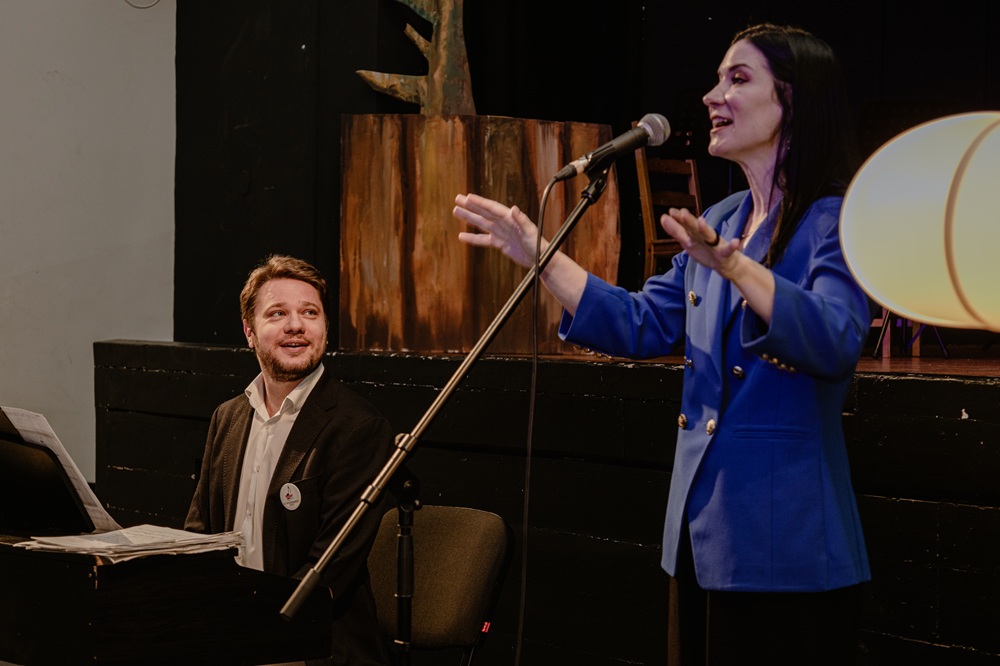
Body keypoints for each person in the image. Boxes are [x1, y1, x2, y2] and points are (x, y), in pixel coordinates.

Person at [453, 23, 870, 665]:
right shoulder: (724, 219)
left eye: (738, 79)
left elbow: (837, 340)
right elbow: (643, 321)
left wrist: (737, 268)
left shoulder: (833, 220)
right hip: (701, 538)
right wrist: (541, 257)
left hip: (786, 547)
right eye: (717, 78)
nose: (712, 96)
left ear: (794, 99)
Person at [185, 254, 393, 666]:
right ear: (249, 331)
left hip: (313, 644)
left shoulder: (359, 428)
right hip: (230, 631)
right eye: (277, 313)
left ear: (325, 328)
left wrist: (249, 632)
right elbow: (199, 534)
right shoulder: (227, 417)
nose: (296, 325)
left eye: (310, 313)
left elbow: (328, 570)